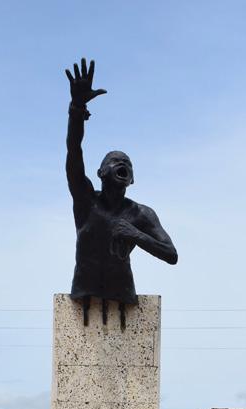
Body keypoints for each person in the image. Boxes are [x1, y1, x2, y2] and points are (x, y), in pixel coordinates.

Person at [64, 58, 178, 325]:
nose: (122, 164)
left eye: (127, 163)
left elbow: (171, 254)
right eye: (115, 161)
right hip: (85, 293)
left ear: (132, 179)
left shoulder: (140, 213)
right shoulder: (86, 201)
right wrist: (77, 108)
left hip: (123, 296)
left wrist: (135, 234)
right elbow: (73, 151)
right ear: (101, 172)